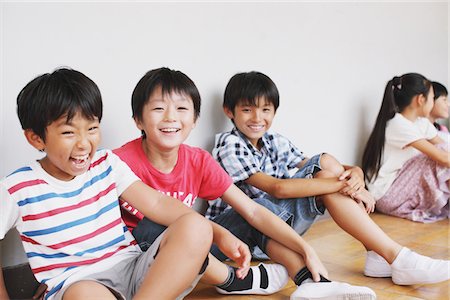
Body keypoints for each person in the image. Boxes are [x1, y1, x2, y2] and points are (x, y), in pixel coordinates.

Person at [113, 67, 377, 299]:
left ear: (194, 120)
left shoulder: (197, 161)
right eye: (159, 108)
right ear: (138, 119)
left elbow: (252, 211)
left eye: (181, 109)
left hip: (194, 247)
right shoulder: (119, 163)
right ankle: (231, 280)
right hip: (141, 259)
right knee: (155, 225)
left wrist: (305, 249)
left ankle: (311, 282)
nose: (171, 117)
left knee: (252, 211)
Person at [0, 67, 247, 300]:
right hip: (79, 285)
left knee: (197, 225)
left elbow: (158, 203)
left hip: (136, 271)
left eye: (92, 128)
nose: (84, 143)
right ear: (35, 138)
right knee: (83, 294)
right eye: (68, 133)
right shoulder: (18, 187)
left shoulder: (106, 163)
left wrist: (220, 234)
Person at [207, 71, 450, 287]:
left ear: (274, 111)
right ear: (229, 111)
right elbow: (277, 188)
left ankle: (382, 254)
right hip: (245, 232)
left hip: (280, 227)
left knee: (324, 163)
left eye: (265, 109)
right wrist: (348, 186)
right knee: (325, 169)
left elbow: (314, 165)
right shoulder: (230, 144)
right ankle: (393, 256)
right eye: (247, 109)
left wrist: (354, 171)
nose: (257, 117)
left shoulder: (274, 141)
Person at [362, 73, 450, 223]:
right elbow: (443, 158)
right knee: (432, 160)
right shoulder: (398, 124)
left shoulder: (421, 123)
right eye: (431, 98)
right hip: (387, 194)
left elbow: (444, 146)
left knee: (442, 151)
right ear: (420, 100)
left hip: (402, 187)